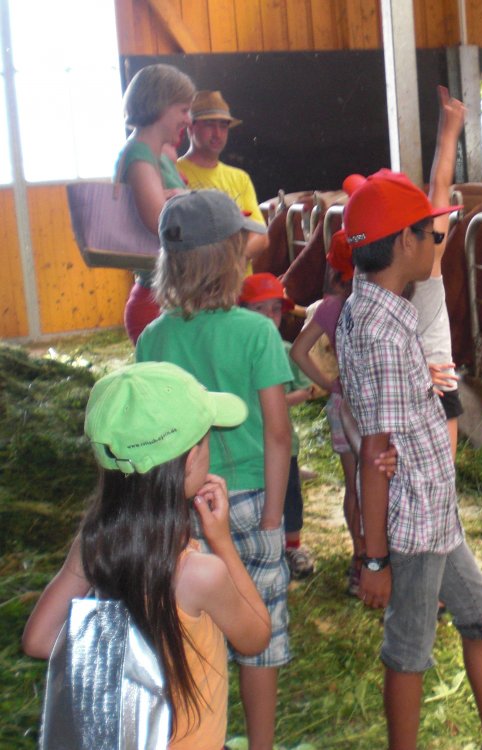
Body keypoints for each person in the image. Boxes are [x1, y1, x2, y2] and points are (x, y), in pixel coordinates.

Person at [336, 169, 482, 750]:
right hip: (415, 524)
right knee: (409, 650)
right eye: (432, 235)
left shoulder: (378, 311)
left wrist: (425, 382)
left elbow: (382, 427)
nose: (436, 245)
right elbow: (376, 453)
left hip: (435, 511)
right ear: (404, 241)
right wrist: (374, 560)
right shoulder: (384, 334)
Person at [22, 362, 271, 749]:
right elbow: (256, 637)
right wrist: (222, 542)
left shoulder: (93, 545)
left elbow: (39, 640)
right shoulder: (199, 573)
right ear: (191, 461)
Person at [135, 190, 291, 750]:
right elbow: (278, 432)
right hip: (245, 499)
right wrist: (273, 517)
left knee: (193, 631)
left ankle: (201, 736)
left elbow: (148, 430)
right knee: (258, 630)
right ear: (231, 258)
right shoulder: (257, 333)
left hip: (178, 505)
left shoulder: (152, 338)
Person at [289, 232, 364, 594]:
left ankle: (360, 560)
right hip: (379, 406)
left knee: (354, 484)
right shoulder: (385, 303)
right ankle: (382, 559)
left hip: (343, 403)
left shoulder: (331, 306)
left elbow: (299, 351)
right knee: (383, 484)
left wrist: (331, 384)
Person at [240, 272, 319, 579]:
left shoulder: (285, 350)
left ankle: (293, 546)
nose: (268, 317)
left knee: (289, 495)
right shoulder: (238, 349)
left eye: (275, 310)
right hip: (247, 442)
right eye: (259, 309)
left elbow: (307, 389)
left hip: (283, 442)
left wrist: (277, 400)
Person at [117, 64, 195, 345]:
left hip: (169, 296)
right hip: (158, 301)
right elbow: (160, 222)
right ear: (161, 106)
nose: (188, 120)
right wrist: (189, 200)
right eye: (183, 110)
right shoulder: (139, 156)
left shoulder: (154, 155)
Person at [410, 85, 466, 457]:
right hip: (436, 382)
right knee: (442, 476)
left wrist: (448, 134)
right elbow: (439, 186)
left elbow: (438, 187)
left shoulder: (372, 280)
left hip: (410, 388)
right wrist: (449, 133)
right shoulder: (429, 265)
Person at [177, 90, 268, 266]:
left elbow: (261, 236)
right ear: (190, 127)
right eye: (209, 125)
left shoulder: (240, 178)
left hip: (239, 282)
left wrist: (228, 264)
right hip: (197, 280)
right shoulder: (174, 173)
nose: (217, 133)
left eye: (223, 126)